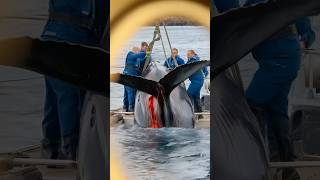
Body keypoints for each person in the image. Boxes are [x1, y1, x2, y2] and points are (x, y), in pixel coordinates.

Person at [41, 0, 107, 160]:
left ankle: (50, 146)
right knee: (70, 95)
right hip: (73, 39)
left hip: (51, 35)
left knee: (54, 94)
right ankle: (71, 148)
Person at [122, 43, 148, 112]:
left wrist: (147, 58)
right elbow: (140, 55)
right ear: (135, 50)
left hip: (131, 76)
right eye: (138, 51)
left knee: (127, 92)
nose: (138, 53)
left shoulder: (136, 59)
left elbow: (141, 60)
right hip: (128, 76)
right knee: (130, 92)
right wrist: (144, 52)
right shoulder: (130, 55)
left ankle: (125, 107)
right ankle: (131, 108)